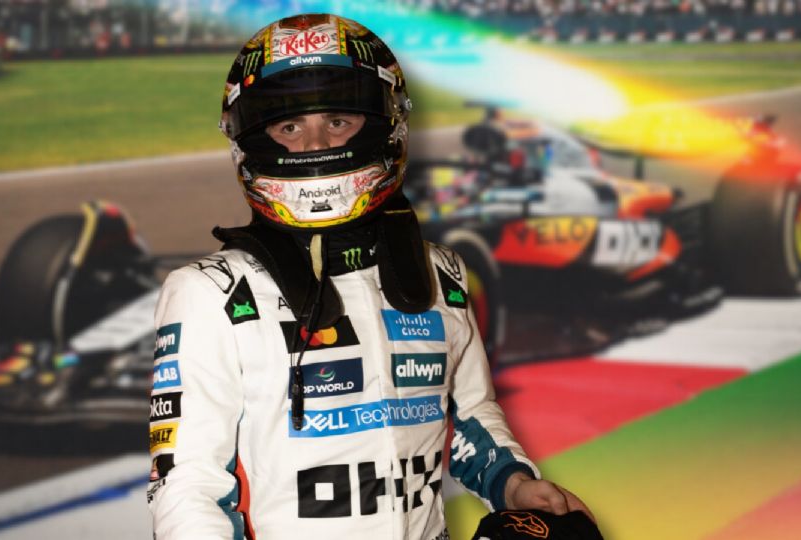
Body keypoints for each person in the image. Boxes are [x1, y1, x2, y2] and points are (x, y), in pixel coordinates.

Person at [148, 13, 593, 540]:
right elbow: (187, 488)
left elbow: (470, 412)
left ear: (388, 123)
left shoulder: (441, 274)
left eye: (338, 121)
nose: (315, 144)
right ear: (248, 138)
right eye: (289, 127)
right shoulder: (208, 293)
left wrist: (513, 483)